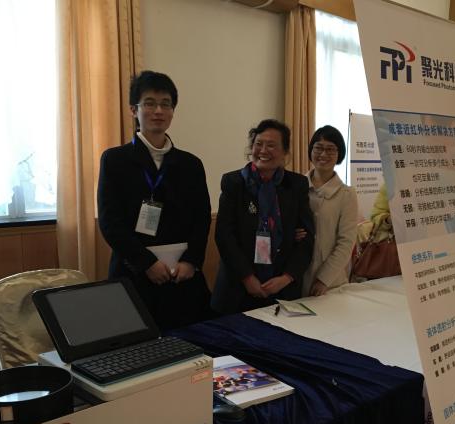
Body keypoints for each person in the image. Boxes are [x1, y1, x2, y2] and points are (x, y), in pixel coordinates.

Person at [97, 70, 211, 331]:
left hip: (181, 276)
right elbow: (110, 222)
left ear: (173, 111)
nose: (158, 110)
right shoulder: (115, 160)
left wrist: (191, 261)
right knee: (134, 347)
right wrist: (146, 263)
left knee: (191, 343)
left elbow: (202, 218)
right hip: (134, 273)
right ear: (133, 110)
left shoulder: (191, 164)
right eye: (149, 103)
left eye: (165, 104)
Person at [211, 119, 314, 314]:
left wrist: (286, 277)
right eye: (258, 144)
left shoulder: (296, 185)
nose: (263, 150)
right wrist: (247, 277)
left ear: (285, 152)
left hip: (282, 289)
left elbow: (307, 238)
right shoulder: (233, 183)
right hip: (237, 288)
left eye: (271, 145)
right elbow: (224, 235)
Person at [302, 126, 357, 297]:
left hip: (330, 282)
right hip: (296, 276)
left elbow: (346, 242)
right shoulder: (297, 187)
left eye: (331, 149)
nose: (323, 154)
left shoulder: (346, 194)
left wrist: (323, 279)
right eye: (318, 148)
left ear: (339, 154)